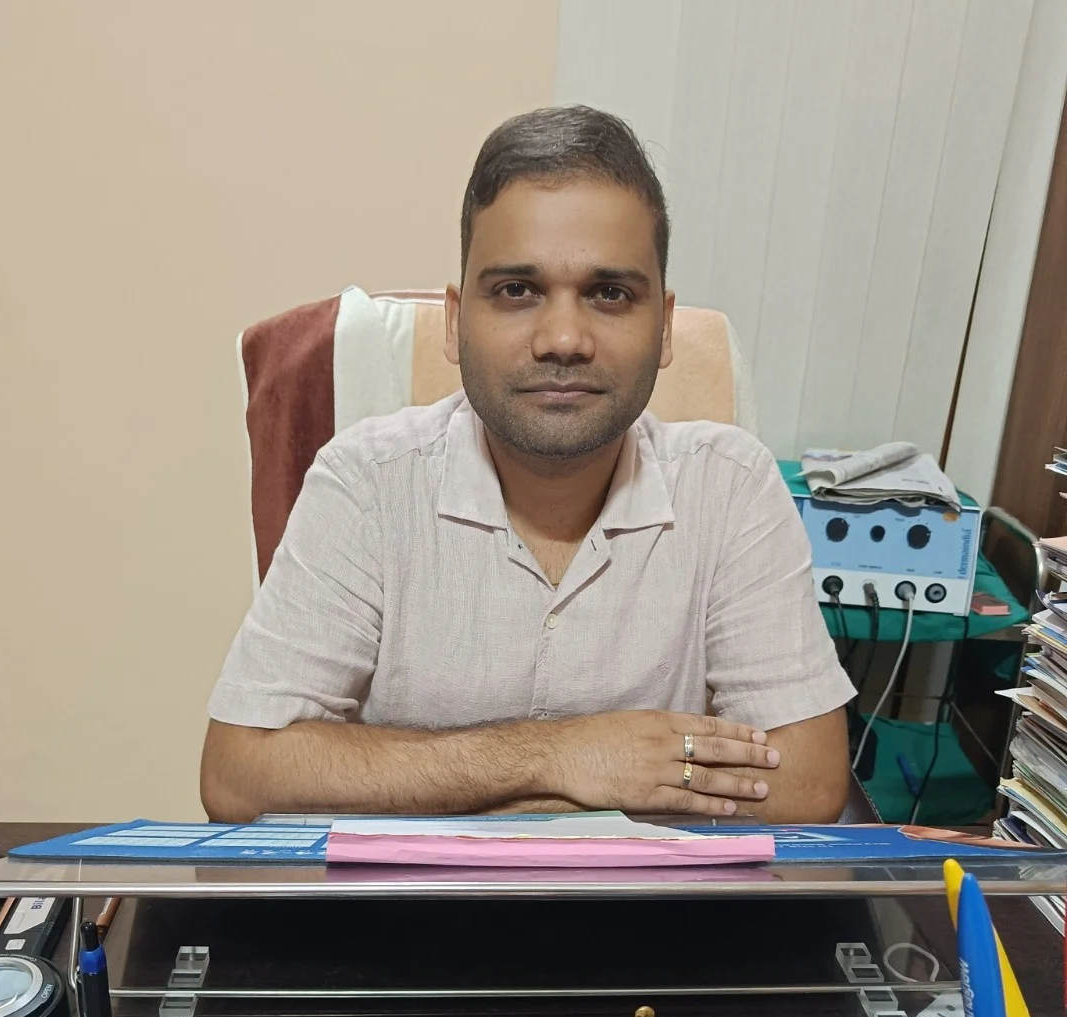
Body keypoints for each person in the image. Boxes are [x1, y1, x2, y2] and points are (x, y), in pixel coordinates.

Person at [202, 106, 854, 822]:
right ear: (456, 321)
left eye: (609, 293)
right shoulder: (366, 482)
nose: (564, 339)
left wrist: (454, 785)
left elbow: (806, 785)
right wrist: (564, 755)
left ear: (664, 327)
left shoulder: (731, 486)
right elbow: (240, 774)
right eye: (517, 290)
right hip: (414, 897)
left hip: (649, 898)